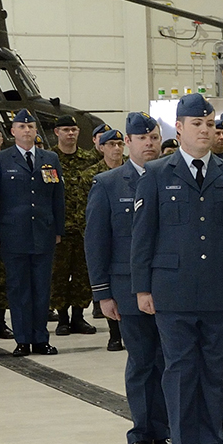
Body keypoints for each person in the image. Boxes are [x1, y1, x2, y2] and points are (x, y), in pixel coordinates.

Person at [130, 93, 223, 444]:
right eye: (196, 124)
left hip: (219, 289)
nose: (205, 130)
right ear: (179, 128)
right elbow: (143, 237)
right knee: (181, 373)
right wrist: (142, 288)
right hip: (173, 291)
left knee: (214, 375)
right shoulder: (156, 174)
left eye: (209, 124)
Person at [85, 117, 170, 444]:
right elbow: (96, 241)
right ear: (128, 144)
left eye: (154, 137)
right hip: (127, 288)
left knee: (167, 362)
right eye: (141, 138)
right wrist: (102, 292)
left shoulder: (171, 178)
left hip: (167, 286)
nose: (149, 143)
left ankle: (163, 432)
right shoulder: (108, 184)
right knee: (141, 361)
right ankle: (141, 432)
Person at [0, 109, 65, 355]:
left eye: (30, 127)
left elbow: (57, 198)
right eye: (22, 127)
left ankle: (40, 338)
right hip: (13, 234)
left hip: (43, 232)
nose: (27, 131)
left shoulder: (50, 158)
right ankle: (22, 338)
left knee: (42, 288)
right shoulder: (1, 160)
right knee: (19, 288)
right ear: (13, 132)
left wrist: (58, 228)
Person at [49, 115, 98, 335]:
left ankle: (79, 316)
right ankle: (62, 318)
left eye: (74, 130)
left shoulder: (89, 160)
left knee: (83, 275)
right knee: (58, 275)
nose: (70, 133)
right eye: (66, 129)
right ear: (57, 132)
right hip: (58, 230)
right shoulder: (48, 160)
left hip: (84, 229)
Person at [90, 123, 131, 350]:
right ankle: (114, 334)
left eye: (119, 143)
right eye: (111, 144)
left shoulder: (140, 174)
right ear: (101, 147)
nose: (117, 148)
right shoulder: (97, 177)